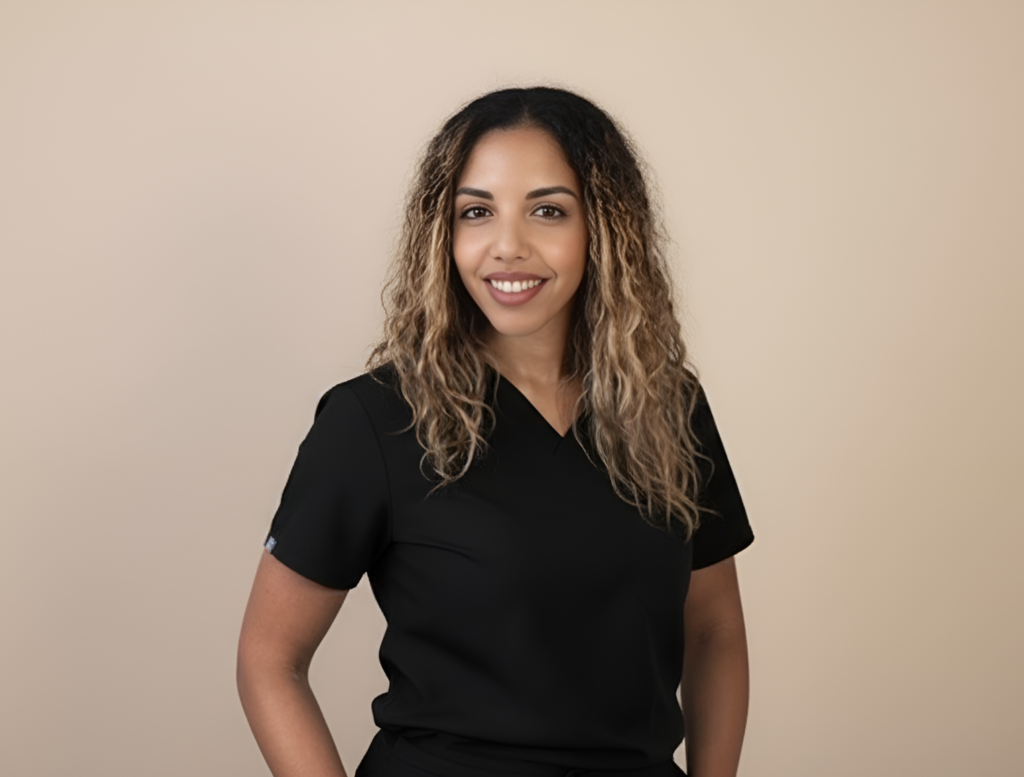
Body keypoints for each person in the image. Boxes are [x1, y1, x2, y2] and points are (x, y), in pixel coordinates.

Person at [237, 86, 754, 777]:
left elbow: (715, 631)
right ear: (443, 235)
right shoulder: (374, 420)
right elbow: (269, 659)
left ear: (604, 226)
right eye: (476, 212)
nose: (508, 247)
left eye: (547, 210)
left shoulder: (668, 407)